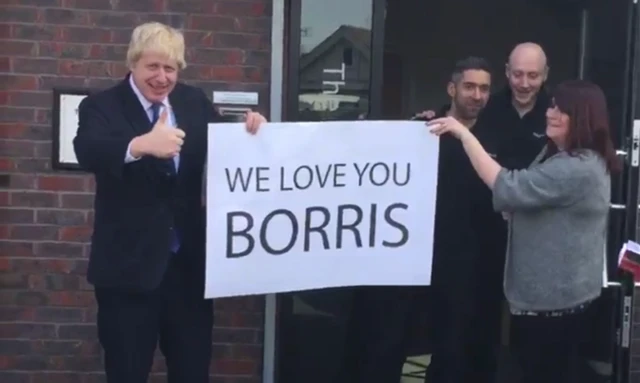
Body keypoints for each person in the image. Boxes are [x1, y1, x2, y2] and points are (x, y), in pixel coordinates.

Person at [73, 22, 266, 383]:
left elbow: (226, 143)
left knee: (192, 372)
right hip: (128, 273)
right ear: (133, 63)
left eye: (170, 68)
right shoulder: (101, 106)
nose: (162, 77)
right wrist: (140, 145)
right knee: (127, 373)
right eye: (153, 67)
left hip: (188, 272)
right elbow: (88, 149)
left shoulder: (192, 101)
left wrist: (250, 129)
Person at [428, 79, 619, 383]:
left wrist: (463, 134)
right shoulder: (567, 158)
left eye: (561, 109)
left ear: (582, 117)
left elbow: (509, 186)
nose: (550, 113)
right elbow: (532, 199)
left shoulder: (576, 167)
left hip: (553, 309)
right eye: (553, 105)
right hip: (556, 304)